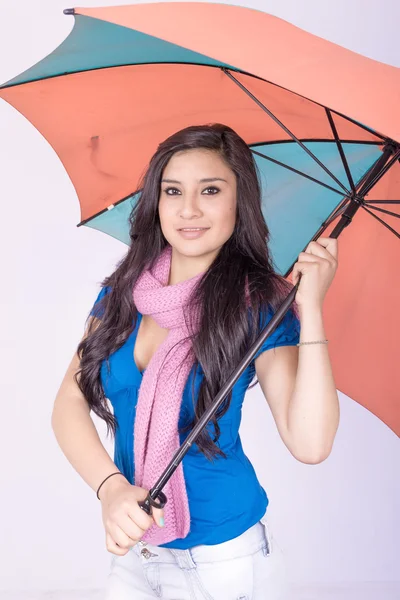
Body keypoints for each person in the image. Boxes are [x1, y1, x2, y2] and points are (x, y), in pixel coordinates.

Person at [51, 123, 340, 599]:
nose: (188, 209)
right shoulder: (122, 294)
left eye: (210, 190)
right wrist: (111, 489)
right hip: (135, 554)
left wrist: (312, 312)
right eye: (172, 190)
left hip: (226, 563)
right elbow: (69, 398)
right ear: (155, 201)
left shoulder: (260, 306)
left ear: (238, 201)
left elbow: (309, 443)